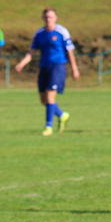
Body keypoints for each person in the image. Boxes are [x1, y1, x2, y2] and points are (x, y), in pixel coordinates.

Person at [15, 8, 80, 136]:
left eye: (50, 17)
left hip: (58, 66)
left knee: (50, 96)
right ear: (43, 18)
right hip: (44, 67)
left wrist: (74, 68)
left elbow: (70, 52)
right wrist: (22, 63)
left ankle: (48, 126)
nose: (48, 19)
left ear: (55, 18)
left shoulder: (62, 32)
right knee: (43, 100)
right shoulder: (39, 34)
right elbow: (32, 52)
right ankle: (61, 115)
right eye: (46, 17)